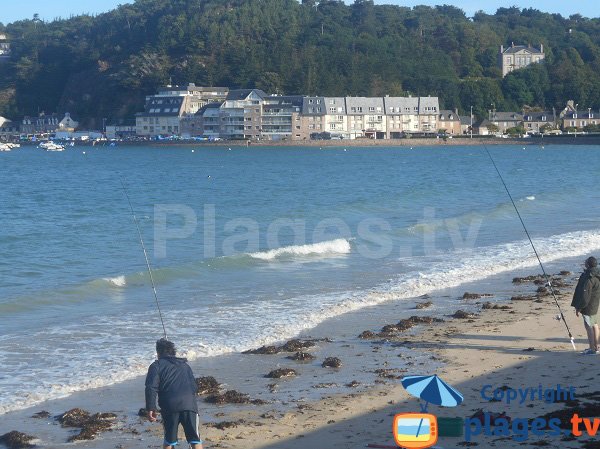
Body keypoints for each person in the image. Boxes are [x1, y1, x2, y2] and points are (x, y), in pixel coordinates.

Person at [145, 338, 203, 449]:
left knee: (169, 441)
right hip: (189, 405)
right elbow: (194, 387)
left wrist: (151, 408)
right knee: (195, 439)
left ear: (158, 353)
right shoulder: (185, 365)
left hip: (170, 407)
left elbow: (151, 387)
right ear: (173, 352)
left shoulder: (156, 366)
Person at [571, 256, 600, 355]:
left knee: (589, 327)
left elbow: (585, 295)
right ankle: (597, 347)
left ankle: (592, 349)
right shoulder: (597, 274)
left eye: (586, 262)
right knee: (595, 325)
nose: (585, 263)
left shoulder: (589, 278)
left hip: (588, 306)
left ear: (588, 264)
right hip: (595, 304)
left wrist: (579, 307)